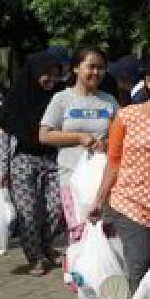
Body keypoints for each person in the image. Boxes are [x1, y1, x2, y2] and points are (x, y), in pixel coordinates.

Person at [89, 57, 150, 293]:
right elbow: (113, 163)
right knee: (140, 263)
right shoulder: (126, 117)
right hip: (130, 204)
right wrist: (99, 200)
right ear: (149, 82)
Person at [39, 47, 118, 248]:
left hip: (102, 179)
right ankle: (76, 275)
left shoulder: (109, 102)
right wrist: (79, 138)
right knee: (79, 230)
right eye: (90, 67)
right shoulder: (61, 99)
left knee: (103, 232)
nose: (96, 73)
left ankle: (102, 276)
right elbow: (45, 135)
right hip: (71, 176)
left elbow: (121, 138)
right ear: (76, 68)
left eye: (101, 68)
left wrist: (107, 144)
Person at [0, 51, 64, 274]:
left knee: (56, 208)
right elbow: (6, 137)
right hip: (22, 161)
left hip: (53, 159)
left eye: (56, 76)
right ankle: (35, 257)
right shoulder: (17, 99)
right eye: (46, 75)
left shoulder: (59, 98)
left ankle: (46, 246)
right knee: (29, 212)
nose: (51, 81)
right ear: (34, 73)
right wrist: (2, 170)